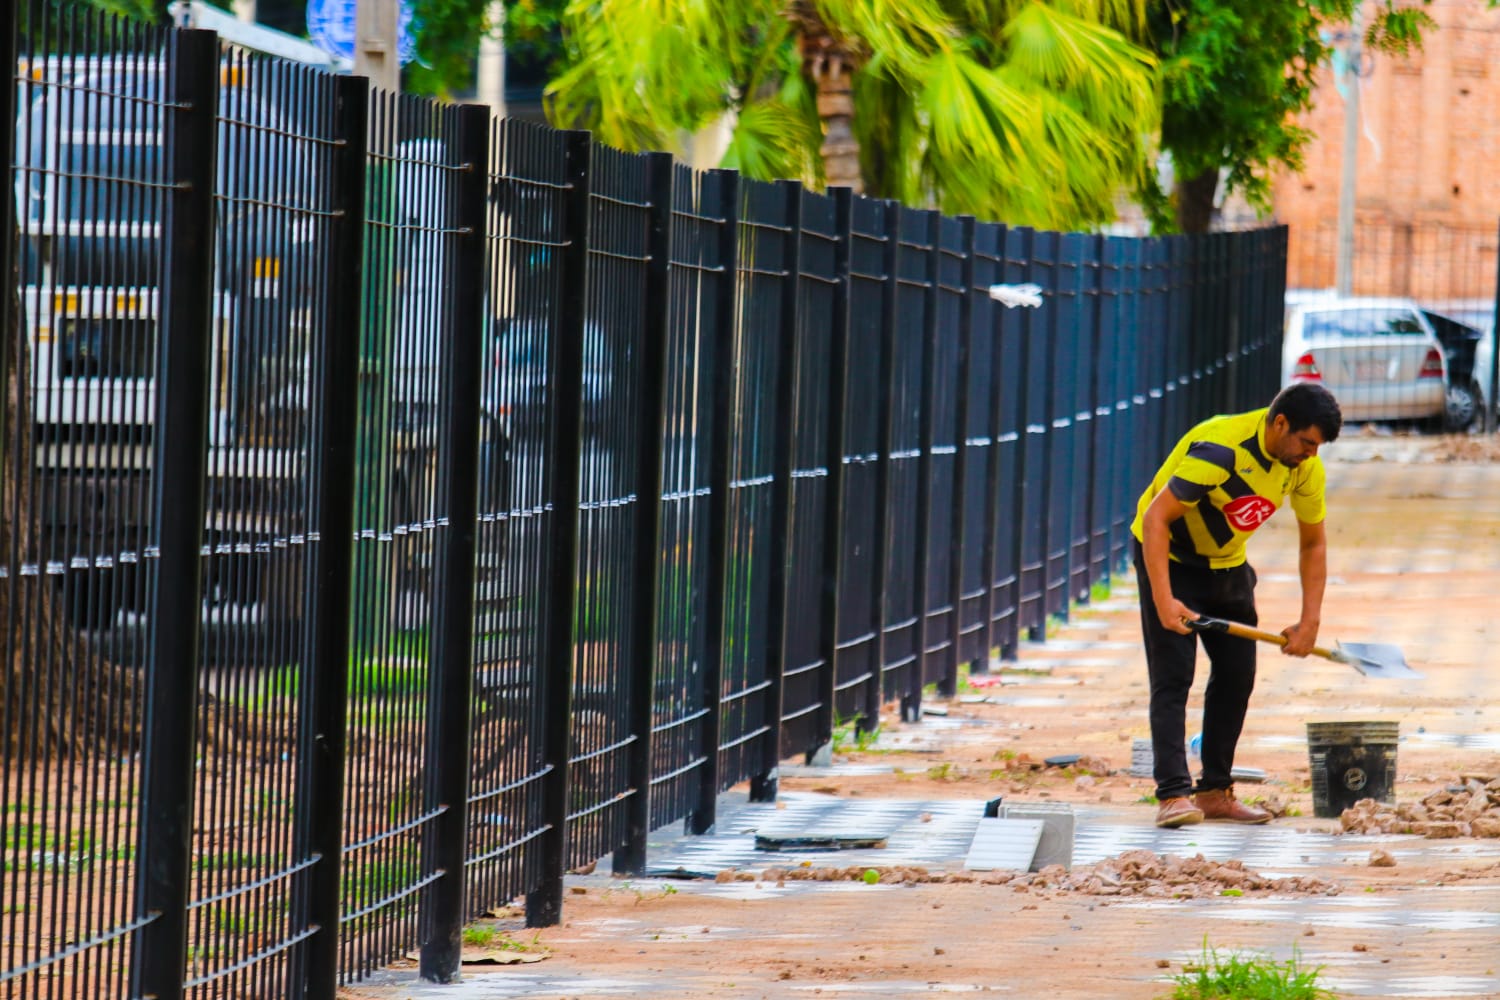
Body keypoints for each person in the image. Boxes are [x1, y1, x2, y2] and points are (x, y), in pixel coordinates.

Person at [1130, 383, 1343, 829]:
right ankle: (1172, 794)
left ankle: (1214, 791)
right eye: (1306, 443)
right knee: (1173, 678)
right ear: (1279, 423)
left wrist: (1310, 621)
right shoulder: (1221, 449)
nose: (1310, 455)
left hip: (1227, 565)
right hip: (1170, 557)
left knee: (1236, 676)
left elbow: (1313, 544)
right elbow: (1156, 518)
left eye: (1317, 448)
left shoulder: (1304, 468)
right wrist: (1164, 599)